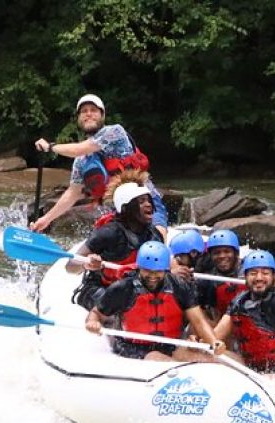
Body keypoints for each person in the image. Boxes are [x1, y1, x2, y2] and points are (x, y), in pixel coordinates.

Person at [30, 93, 168, 237]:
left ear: (102, 115)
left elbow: (81, 148)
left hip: (146, 199)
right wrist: (46, 219)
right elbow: (73, 193)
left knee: (157, 236)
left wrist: (50, 147)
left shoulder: (115, 131)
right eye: (84, 111)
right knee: (102, 240)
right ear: (78, 119)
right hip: (121, 210)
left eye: (93, 110)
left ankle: (161, 242)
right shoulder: (81, 161)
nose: (88, 114)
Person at [85, 241, 226, 362]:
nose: (152, 276)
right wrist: (93, 322)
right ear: (139, 268)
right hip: (131, 346)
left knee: (211, 360)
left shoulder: (179, 286)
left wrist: (214, 341)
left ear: (166, 270)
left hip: (170, 344)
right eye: (147, 271)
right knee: (157, 358)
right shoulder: (123, 288)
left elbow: (198, 321)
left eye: (157, 272)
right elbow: (96, 313)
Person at [213, 250, 275, 394]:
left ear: (274, 276)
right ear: (245, 276)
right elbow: (216, 336)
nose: (259, 278)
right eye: (253, 273)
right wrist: (207, 343)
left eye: (265, 273)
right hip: (255, 370)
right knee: (208, 354)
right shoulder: (239, 301)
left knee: (270, 380)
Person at [69, 172, 163, 310]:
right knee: (118, 310)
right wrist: (86, 264)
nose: (148, 205)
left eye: (149, 200)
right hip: (100, 289)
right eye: (141, 201)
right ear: (125, 208)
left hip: (135, 289)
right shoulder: (109, 233)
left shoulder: (154, 235)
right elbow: (70, 266)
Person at [196, 229, 246, 323]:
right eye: (217, 253)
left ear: (236, 253)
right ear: (211, 255)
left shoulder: (251, 270)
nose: (222, 256)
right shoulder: (208, 279)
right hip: (221, 322)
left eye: (227, 251)